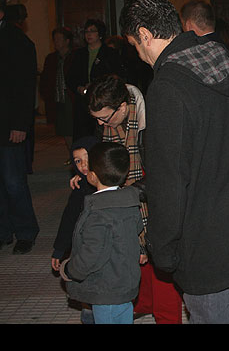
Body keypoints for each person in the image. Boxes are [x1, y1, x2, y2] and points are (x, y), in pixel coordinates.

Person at [120, 0, 229, 324]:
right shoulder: (221, 58)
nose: (138, 52)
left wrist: (163, 246)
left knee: (209, 310)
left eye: (134, 44)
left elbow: (169, 180)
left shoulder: (167, 85)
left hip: (202, 233)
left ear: (145, 35)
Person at [85, 73, 184, 324]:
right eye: (96, 119)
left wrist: (133, 191)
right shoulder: (106, 121)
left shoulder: (151, 116)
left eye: (105, 118)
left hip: (154, 194)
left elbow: (165, 169)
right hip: (128, 195)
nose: (101, 125)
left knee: (160, 255)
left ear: (122, 107)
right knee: (133, 251)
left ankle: (167, 316)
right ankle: (145, 302)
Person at [59, 142, 144, 324]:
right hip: (124, 282)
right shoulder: (129, 202)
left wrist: (70, 269)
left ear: (92, 175)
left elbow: (93, 254)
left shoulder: (99, 213)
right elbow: (135, 230)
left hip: (106, 288)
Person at [0, 0, 39, 255]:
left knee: (13, 181)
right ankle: (3, 232)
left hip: (9, 124)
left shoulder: (17, 41)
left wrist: (20, 125)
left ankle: (26, 231)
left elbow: (25, 88)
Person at [51, 135, 100, 324]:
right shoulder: (80, 187)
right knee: (83, 282)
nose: (83, 165)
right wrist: (59, 249)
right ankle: (87, 312)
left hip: (104, 245)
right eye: (78, 161)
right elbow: (69, 219)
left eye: (88, 159)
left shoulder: (110, 183)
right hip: (83, 246)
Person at [66, 18, 126, 141]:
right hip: (83, 101)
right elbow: (71, 77)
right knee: (83, 134)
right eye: (86, 31)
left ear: (100, 34)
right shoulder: (79, 54)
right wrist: (79, 88)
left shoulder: (110, 53)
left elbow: (116, 76)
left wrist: (95, 86)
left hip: (103, 100)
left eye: (92, 31)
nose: (89, 34)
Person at [40, 27, 75, 155]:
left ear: (67, 41)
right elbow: (46, 78)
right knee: (63, 128)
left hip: (70, 96)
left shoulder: (74, 56)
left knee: (72, 127)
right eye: (54, 40)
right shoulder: (51, 58)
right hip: (57, 96)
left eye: (59, 39)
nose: (56, 42)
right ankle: (72, 152)